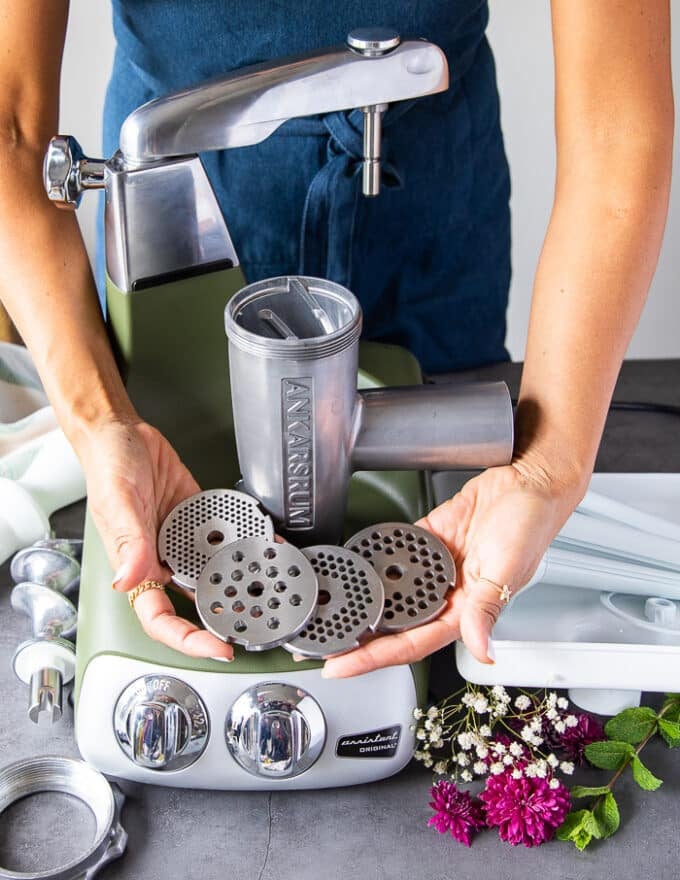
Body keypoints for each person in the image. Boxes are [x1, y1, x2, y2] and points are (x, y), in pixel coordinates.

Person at [0, 2, 673, 678]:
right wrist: (103, 422)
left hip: (426, 211)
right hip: (179, 210)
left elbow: (617, 124)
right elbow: (9, 128)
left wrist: (546, 465)